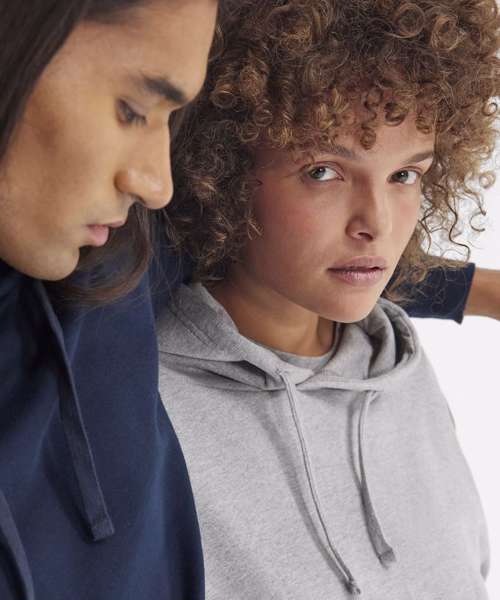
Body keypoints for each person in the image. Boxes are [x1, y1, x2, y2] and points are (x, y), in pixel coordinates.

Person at [158, 0, 500, 597]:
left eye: (404, 175)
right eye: (322, 171)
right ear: (222, 171)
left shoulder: (400, 370)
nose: (377, 225)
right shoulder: (147, 411)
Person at [0, 1, 217, 599]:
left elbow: (295, 245)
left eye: (169, 120)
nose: (156, 184)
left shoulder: (116, 262)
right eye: (134, 110)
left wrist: (459, 293)